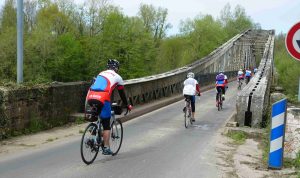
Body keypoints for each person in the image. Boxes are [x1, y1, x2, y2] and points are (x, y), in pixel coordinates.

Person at [86, 59, 132, 155]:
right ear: (117, 68)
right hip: (103, 98)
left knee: (98, 114)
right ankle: (106, 148)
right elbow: (122, 93)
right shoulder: (118, 77)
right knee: (106, 125)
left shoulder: (101, 73)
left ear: (108, 67)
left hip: (91, 96)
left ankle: (94, 130)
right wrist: (127, 105)